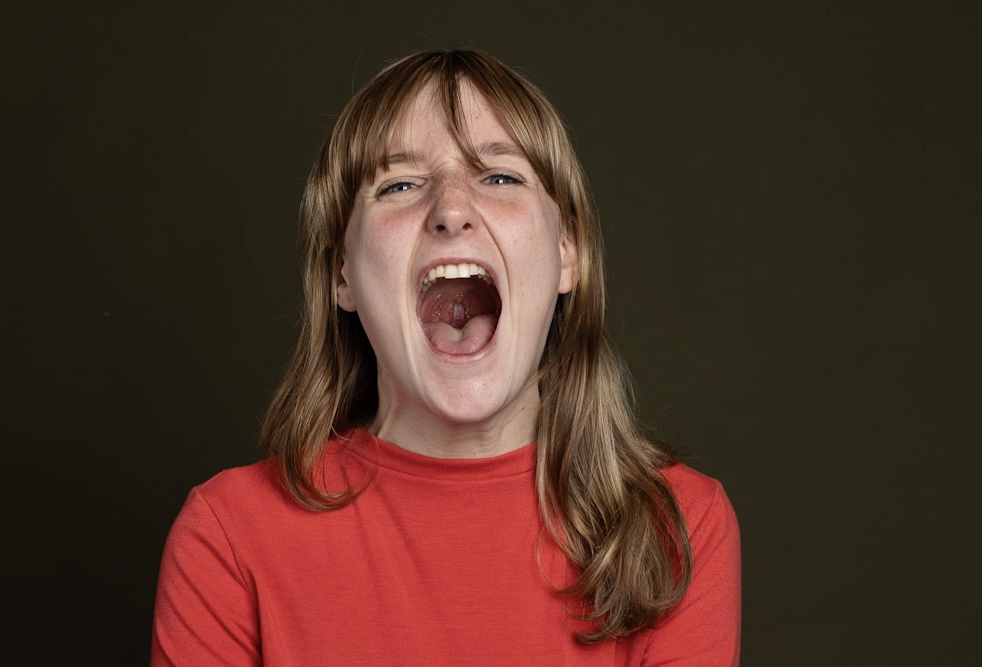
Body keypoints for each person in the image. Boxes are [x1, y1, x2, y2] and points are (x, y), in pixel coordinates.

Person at [151, 48, 741, 666]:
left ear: (568, 252)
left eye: (500, 177)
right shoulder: (230, 535)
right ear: (342, 273)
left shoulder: (677, 528)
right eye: (400, 184)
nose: (452, 210)